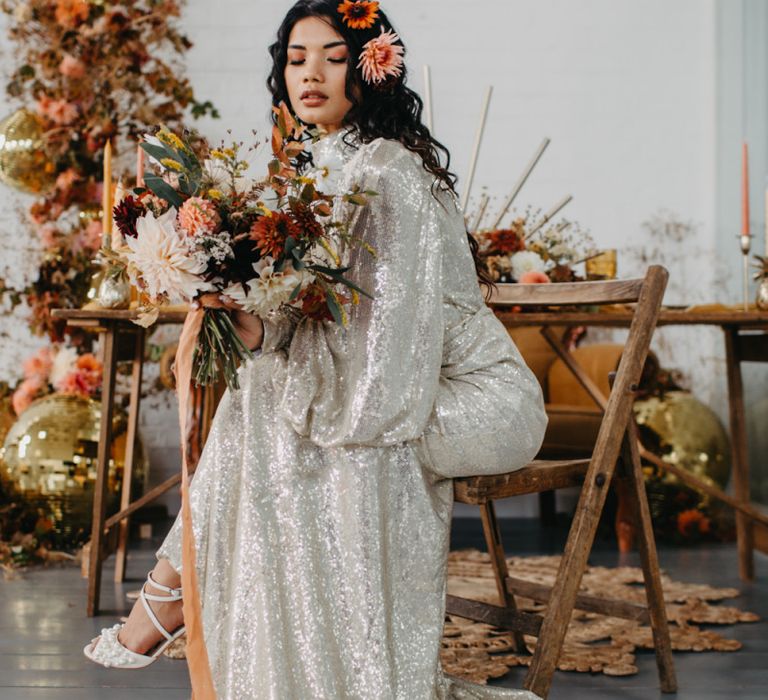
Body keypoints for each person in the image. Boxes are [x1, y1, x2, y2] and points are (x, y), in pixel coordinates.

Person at [83, 1, 548, 697]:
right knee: (266, 388)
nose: (311, 75)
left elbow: (389, 355)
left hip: (472, 397)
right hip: (394, 380)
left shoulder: (389, 173)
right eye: (297, 59)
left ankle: (176, 595)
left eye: (333, 57)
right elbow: (332, 326)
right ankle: (231, 623)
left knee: (282, 403)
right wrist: (257, 328)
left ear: (370, 67)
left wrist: (280, 356)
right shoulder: (314, 168)